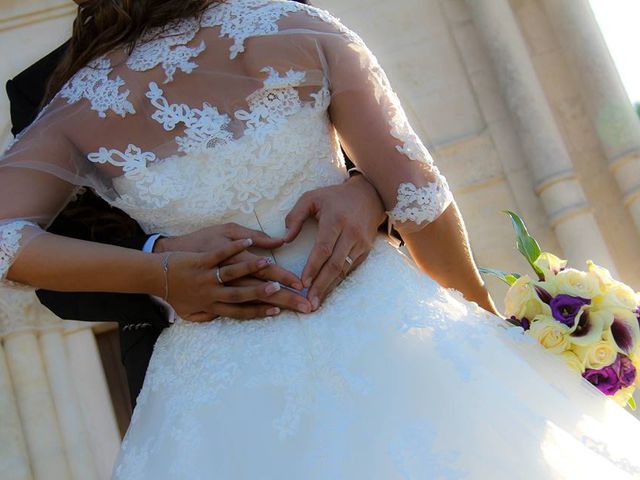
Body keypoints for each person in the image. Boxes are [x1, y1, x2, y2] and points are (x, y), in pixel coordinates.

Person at [1, 0, 639, 478]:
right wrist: (481, 316)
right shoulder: (299, 27)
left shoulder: (79, 101)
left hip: (219, 380)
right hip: (385, 327)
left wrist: (162, 280)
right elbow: (419, 198)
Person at [4, 0, 387, 404]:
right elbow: (45, 268)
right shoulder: (46, 86)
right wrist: (159, 265)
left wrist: (369, 191)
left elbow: (385, 139)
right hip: (198, 362)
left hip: (367, 306)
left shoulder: (274, 10)